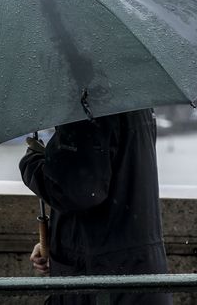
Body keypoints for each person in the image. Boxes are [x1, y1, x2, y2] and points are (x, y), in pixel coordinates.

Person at [19, 108, 171, 305]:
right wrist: (57, 244)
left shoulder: (86, 105)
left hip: (99, 278)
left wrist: (31, 162)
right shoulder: (133, 104)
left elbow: (76, 191)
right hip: (136, 270)